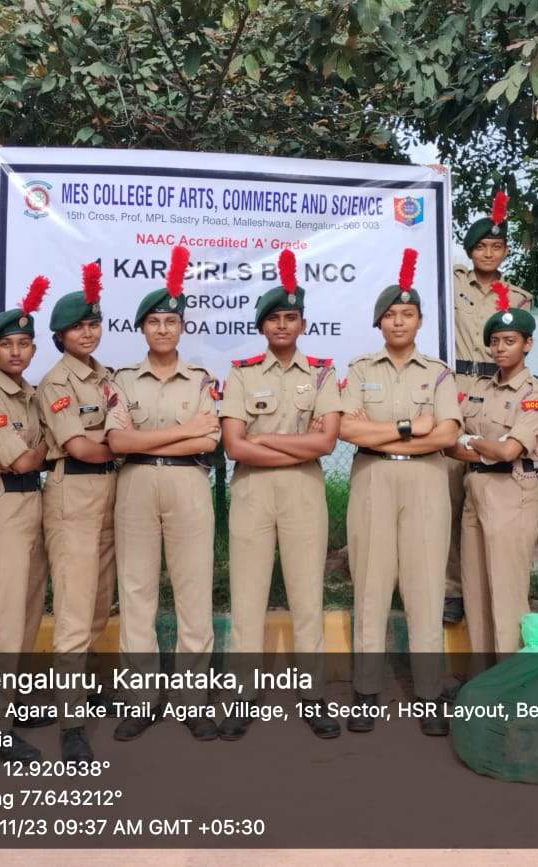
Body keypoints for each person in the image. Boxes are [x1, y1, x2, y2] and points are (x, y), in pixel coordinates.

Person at [217, 250, 342, 741]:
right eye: (274, 318)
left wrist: (264, 438)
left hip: (303, 493)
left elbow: (326, 443)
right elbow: (233, 446)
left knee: (307, 596)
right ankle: (241, 695)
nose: (283, 325)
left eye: (291, 317)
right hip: (252, 492)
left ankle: (313, 695)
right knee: (247, 598)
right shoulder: (242, 373)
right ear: (262, 326)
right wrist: (295, 444)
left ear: (303, 323)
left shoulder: (322, 372)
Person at [339, 247, 461, 737]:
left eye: (407, 314)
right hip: (372, 479)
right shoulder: (361, 369)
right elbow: (348, 430)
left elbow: (447, 434)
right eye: (390, 315)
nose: (398, 322)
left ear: (420, 321)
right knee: (370, 586)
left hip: (426, 482)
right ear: (378, 323)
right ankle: (365, 691)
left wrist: (381, 433)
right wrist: (410, 427)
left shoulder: (438, 372)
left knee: (425, 588)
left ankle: (430, 693)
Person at [105, 245, 220, 742]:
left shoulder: (201, 380)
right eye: (154, 322)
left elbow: (208, 441)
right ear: (142, 329)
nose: (163, 329)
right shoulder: (123, 380)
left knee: (193, 592)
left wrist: (156, 438)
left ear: (182, 327)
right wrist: (183, 431)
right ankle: (141, 701)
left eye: (171, 322)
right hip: (135, 485)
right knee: (136, 594)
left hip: (188, 484)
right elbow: (118, 442)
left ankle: (193, 701)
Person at [37, 261, 120, 762]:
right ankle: (70, 722)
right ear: (60, 336)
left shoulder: (106, 376)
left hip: (108, 493)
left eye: (93, 324)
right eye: (77, 327)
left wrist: (123, 445)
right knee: (73, 608)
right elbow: (80, 446)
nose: (87, 333)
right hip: (73, 494)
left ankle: (81, 690)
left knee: (97, 605)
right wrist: (129, 445)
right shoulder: (57, 383)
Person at [0, 275, 52, 763]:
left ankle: (11, 704)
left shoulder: (28, 394)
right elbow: (21, 460)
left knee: (27, 610)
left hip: (32, 504)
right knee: (2, 617)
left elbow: (35, 455)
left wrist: (36, 452)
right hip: (0, 507)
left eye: (23, 344)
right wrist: (41, 450)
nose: (16, 352)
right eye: (6, 345)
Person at [444, 283, 538, 658]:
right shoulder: (479, 389)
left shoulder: (534, 394)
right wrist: (482, 445)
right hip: (475, 489)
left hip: (512, 491)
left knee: (506, 593)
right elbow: (450, 444)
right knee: (475, 591)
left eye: (510, 341)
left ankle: (509, 679)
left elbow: (509, 450)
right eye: (495, 342)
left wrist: (473, 442)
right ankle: (481, 677)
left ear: (527, 344)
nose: (501, 348)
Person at [445, 191, 534, 625]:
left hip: (498, 388)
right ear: (469, 250)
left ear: (506, 251)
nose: (488, 253)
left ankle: (492, 584)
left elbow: (517, 345)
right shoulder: (453, 282)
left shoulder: (518, 297)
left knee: (492, 486)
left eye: (497, 246)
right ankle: (452, 589)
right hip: (457, 384)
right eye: (481, 246)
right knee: (451, 489)